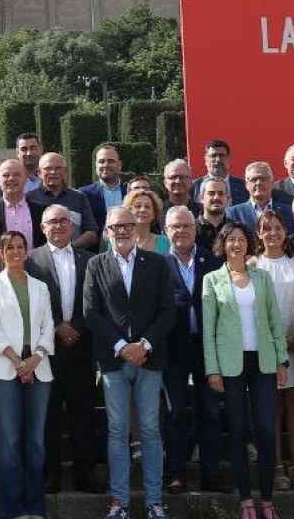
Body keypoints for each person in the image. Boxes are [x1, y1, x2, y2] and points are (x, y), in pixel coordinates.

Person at [86, 205, 176, 519]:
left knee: (150, 430)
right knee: (117, 430)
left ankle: (154, 501)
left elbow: (168, 310)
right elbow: (91, 313)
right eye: (114, 227)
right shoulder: (96, 265)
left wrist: (144, 344)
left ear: (136, 227)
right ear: (107, 231)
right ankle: (119, 502)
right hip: (114, 361)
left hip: (149, 358)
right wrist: (123, 346)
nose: (121, 231)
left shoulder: (158, 263)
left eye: (126, 225)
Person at [203, 222, 289, 519]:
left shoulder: (262, 277)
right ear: (223, 244)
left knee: (266, 430)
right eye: (231, 240)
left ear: (249, 244)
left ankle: (267, 498)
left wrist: (281, 359)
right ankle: (245, 499)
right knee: (238, 430)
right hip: (230, 365)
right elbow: (209, 329)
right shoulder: (212, 280)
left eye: (241, 239)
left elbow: (275, 319)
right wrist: (212, 369)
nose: (236, 244)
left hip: (263, 362)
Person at [0, 230, 55, 519]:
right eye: (10, 247)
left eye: (20, 246)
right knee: (9, 440)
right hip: (3, 367)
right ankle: (10, 509)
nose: (16, 251)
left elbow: (48, 326)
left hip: (39, 366)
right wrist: (16, 361)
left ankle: (34, 507)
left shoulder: (40, 287)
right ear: (0, 253)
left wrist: (34, 359)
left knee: (35, 441)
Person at [25, 203, 99, 494]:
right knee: (48, 417)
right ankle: (50, 475)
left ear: (72, 226)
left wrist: (76, 327)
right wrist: (57, 325)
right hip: (47, 351)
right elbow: (31, 303)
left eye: (63, 221)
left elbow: (94, 300)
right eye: (51, 222)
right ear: (42, 228)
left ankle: (85, 475)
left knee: (84, 416)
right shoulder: (31, 260)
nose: (58, 226)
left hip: (81, 348)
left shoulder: (90, 260)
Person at [161, 206, 223, 494]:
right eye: (175, 226)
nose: (181, 231)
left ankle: (211, 475)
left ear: (195, 229)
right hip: (172, 350)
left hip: (207, 348)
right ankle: (175, 473)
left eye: (186, 226)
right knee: (175, 413)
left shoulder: (212, 261)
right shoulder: (158, 265)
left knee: (210, 412)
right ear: (166, 231)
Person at [254, 210, 294, 491]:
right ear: (259, 234)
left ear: (285, 231)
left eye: (277, 228)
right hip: (266, 347)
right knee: (272, 407)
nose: (273, 233)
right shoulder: (253, 264)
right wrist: (274, 342)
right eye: (267, 228)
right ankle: (277, 466)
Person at [26, 153, 99, 251]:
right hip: (41, 261)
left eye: (58, 168)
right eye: (48, 168)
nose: (53, 172)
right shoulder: (29, 198)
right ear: (39, 172)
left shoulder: (79, 198)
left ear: (65, 172)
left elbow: (91, 233)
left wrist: (69, 249)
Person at [0, 159, 46, 252]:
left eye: (17, 175)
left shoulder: (41, 211)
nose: (11, 178)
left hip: (34, 266)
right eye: (6, 175)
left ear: (26, 179)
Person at [75, 142, 127, 234]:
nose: (106, 165)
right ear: (96, 165)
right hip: (96, 247)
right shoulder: (84, 194)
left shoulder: (130, 191)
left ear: (119, 165)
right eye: (101, 161)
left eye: (111, 161)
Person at [230, 161, 294, 235]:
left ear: (272, 183)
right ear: (246, 185)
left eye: (263, 179)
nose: (258, 183)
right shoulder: (234, 214)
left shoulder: (289, 212)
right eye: (254, 179)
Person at [191, 140, 249, 218]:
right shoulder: (195, 187)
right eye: (213, 155)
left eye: (221, 155)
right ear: (205, 160)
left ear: (228, 159)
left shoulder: (243, 186)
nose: (218, 160)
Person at [111, 187, 170, 254]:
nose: (143, 210)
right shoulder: (119, 240)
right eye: (138, 206)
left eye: (147, 207)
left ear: (154, 214)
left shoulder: (165, 242)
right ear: (129, 212)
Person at [195, 177, 232, 253]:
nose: (216, 197)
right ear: (201, 198)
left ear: (227, 199)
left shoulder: (235, 229)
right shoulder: (192, 229)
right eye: (211, 193)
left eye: (221, 194)